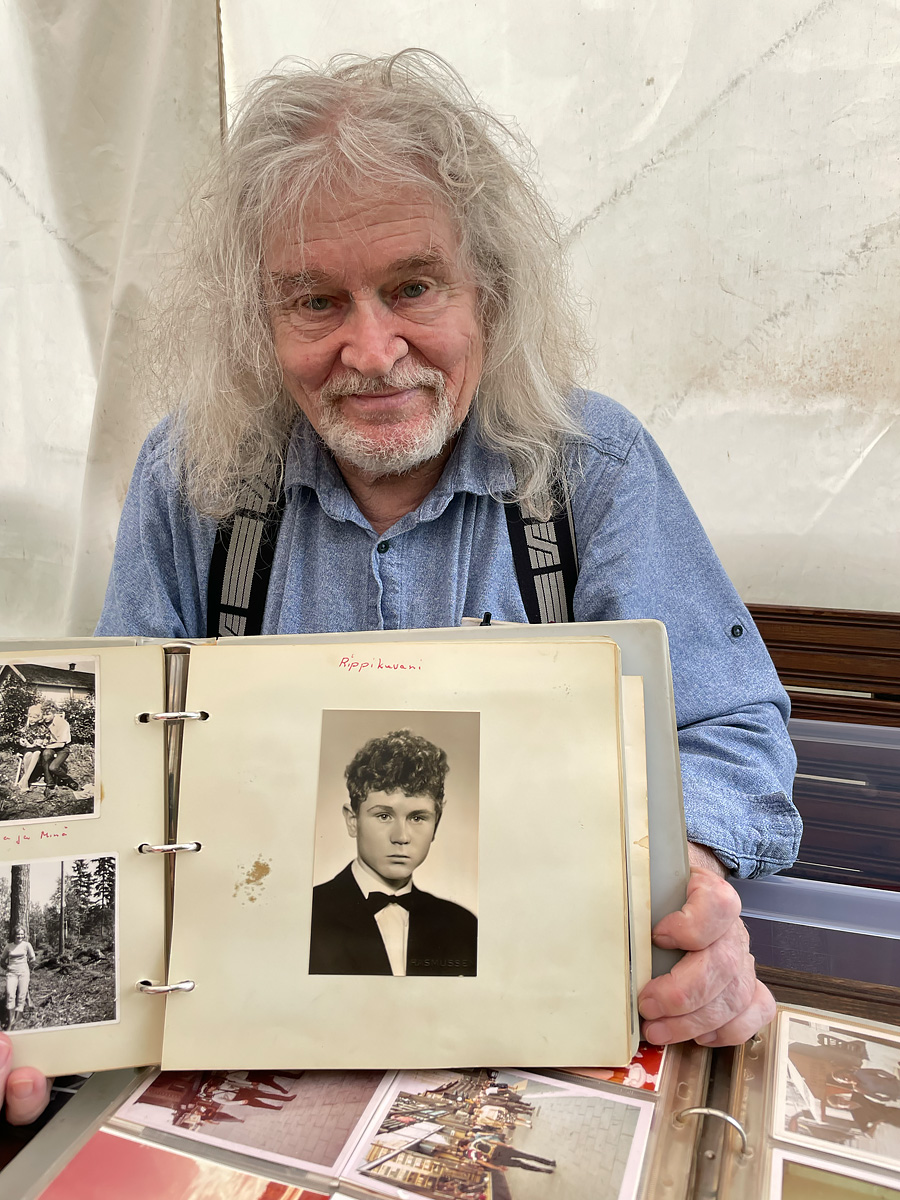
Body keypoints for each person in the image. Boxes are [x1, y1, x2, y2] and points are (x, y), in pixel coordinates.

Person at [0, 46, 797, 1129]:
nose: (372, 351)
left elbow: (730, 724)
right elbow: (105, 788)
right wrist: (43, 999)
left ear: (490, 294)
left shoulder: (591, 469)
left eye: (413, 288)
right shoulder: (191, 477)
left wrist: (683, 882)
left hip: (538, 1043)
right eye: (315, 301)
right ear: (255, 321)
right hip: (246, 1044)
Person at [309, 729, 477, 976]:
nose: (401, 837)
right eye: (384, 816)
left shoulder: (463, 926)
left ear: (436, 825)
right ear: (352, 821)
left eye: (417, 818)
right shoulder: (308, 913)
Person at [1, 926, 36, 1031]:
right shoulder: (9, 946)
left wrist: (28, 966)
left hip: (23, 973)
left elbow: (33, 958)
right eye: (18, 934)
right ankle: (10, 1020)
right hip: (11, 973)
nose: (20, 936)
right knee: (10, 994)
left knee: (21, 995)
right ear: (14, 935)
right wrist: (7, 967)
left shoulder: (27, 945)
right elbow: (2, 960)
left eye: (22, 934)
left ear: (24, 935)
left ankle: (17, 1020)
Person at [16, 705, 48, 793]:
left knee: (37, 752)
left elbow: (40, 742)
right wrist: (21, 741)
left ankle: (25, 780)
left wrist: (33, 744)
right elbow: (22, 739)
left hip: (37, 748)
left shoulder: (42, 728)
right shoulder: (26, 727)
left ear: (39, 719)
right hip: (26, 748)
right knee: (28, 754)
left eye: (34, 717)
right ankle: (26, 779)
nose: (32, 719)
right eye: (30, 717)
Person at [40, 710, 72, 788]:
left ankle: (69, 780)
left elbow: (61, 744)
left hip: (62, 748)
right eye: (43, 715)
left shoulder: (62, 723)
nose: (45, 717)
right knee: (46, 753)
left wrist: (45, 746)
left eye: (48, 714)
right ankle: (50, 784)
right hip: (50, 747)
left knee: (53, 767)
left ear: (54, 713)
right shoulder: (43, 723)